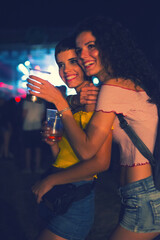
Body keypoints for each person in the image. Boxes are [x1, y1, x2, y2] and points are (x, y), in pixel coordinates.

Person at [28, 16, 160, 240]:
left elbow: (92, 155)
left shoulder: (112, 86)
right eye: (80, 50)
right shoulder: (118, 86)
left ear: (109, 45)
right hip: (134, 195)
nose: (84, 56)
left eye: (91, 46)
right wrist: (66, 114)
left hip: (142, 195)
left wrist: (61, 102)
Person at [31, 37, 112, 240]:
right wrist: (53, 144)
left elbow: (97, 163)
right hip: (59, 194)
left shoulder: (95, 99)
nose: (66, 69)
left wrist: (51, 179)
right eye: (61, 64)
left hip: (76, 199)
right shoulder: (73, 102)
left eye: (73, 61)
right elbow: (69, 156)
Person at [22, 98, 45, 173]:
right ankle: (37, 168)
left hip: (27, 127)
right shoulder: (41, 102)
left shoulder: (26, 101)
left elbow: (24, 114)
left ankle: (28, 168)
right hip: (37, 127)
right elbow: (42, 116)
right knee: (38, 148)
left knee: (27, 148)